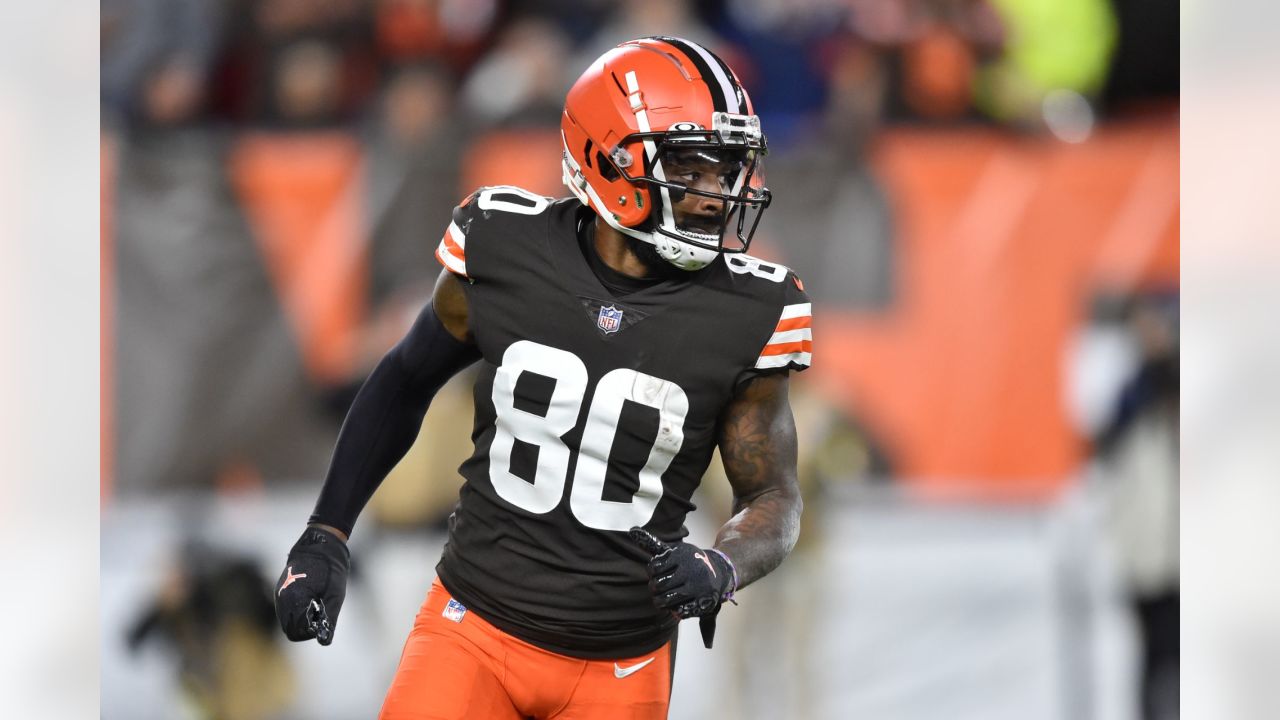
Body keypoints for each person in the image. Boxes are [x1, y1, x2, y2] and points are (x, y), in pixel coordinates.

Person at [274, 36, 812, 719]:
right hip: (472, 628)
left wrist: (723, 565)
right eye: (688, 167)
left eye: (727, 169)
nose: (715, 195)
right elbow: (404, 380)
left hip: (624, 659)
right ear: (605, 155)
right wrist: (328, 532)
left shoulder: (752, 308)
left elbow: (773, 495)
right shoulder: (506, 245)